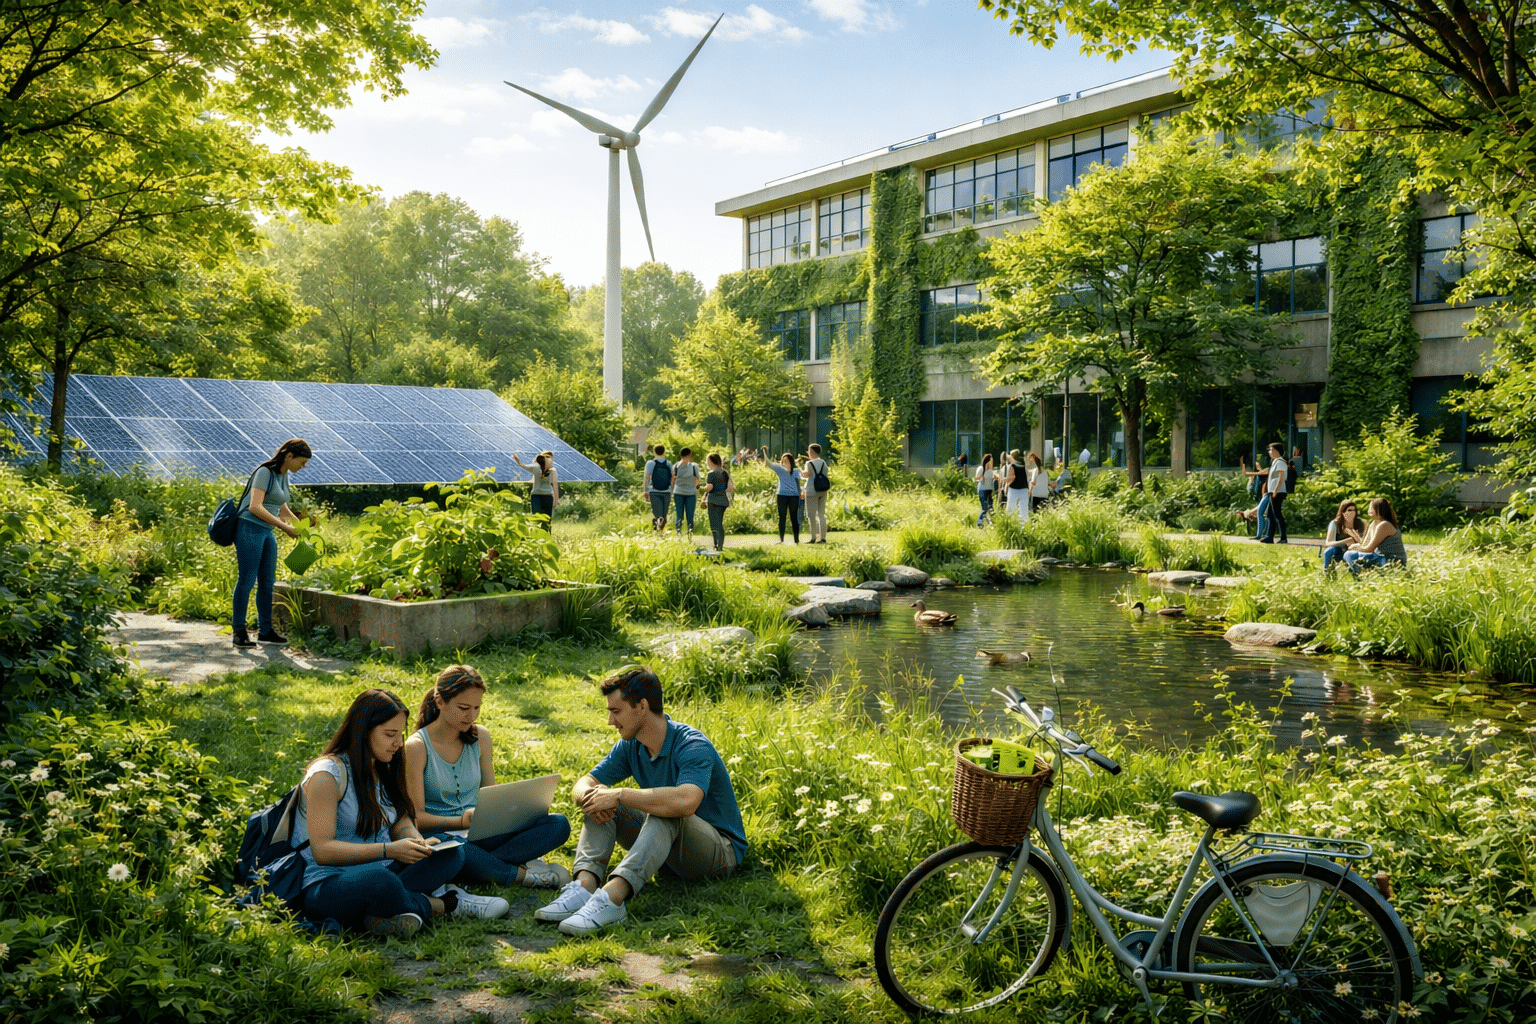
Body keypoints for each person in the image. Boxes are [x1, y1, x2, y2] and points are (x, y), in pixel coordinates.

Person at [534, 667, 745, 937]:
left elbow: (686, 802)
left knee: (665, 809)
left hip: (717, 854)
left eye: (617, 711)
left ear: (642, 706)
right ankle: (584, 887)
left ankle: (611, 899)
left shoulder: (692, 744)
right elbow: (584, 782)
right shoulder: (632, 745)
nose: (610, 721)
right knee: (600, 799)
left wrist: (620, 794)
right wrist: (591, 796)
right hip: (669, 851)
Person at [291, 688, 508, 937]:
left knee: (452, 853)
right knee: (381, 881)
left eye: (400, 734)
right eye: (390, 734)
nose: (398, 743)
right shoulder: (326, 776)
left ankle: (387, 911)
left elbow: (400, 820)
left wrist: (416, 841)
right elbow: (323, 851)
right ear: (363, 732)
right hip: (331, 883)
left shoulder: (384, 765)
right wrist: (389, 850)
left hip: (386, 868)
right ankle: (446, 904)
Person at [403, 665, 572, 891]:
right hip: (444, 837)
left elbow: (491, 795)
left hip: (481, 833)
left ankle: (476, 868)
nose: (471, 716)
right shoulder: (416, 747)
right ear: (440, 701)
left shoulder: (480, 736)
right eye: (463, 708)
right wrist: (460, 821)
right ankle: (520, 875)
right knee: (457, 850)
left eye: (476, 708)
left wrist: (511, 811)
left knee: (558, 824)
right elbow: (416, 819)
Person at [233, 438, 313, 649]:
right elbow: (255, 507)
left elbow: (281, 506)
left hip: (267, 532)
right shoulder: (265, 472)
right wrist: (284, 527)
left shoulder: (282, 475)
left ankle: (266, 631)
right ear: (289, 456)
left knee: (267, 583)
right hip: (249, 528)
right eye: (302, 462)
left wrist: (301, 527)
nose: (303, 467)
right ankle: (239, 631)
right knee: (247, 580)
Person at [1344, 498, 1409, 574]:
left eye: (1371, 508)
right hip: (1379, 556)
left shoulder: (1384, 525)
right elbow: (1365, 544)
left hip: (1392, 560)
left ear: (1379, 510)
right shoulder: (1373, 523)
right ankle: (1360, 574)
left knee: (1351, 555)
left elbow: (1369, 549)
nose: (1369, 510)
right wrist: (1355, 544)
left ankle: (1359, 575)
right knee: (1350, 554)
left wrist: (1354, 547)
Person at [1240, 445, 1288, 544]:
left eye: (1271, 450)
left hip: (1277, 492)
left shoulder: (1280, 462)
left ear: (1276, 451)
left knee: (1277, 515)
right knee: (1270, 515)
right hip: (1272, 492)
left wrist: (1275, 491)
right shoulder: (1274, 462)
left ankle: (1283, 537)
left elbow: (1281, 477)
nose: (1269, 452)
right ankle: (1269, 537)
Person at [762, 447, 802, 544]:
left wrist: (802, 492)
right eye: (783, 461)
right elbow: (768, 463)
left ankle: (796, 540)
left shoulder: (796, 471)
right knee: (782, 517)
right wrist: (764, 451)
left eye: (786, 461)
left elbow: (802, 479)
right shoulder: (779, 469)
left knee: (794, 517)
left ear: (791, 462)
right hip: (781, 496)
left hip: (793, 496)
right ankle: (781, 540)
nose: (784, 463)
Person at [512, 451, 558, 532]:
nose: (549, 459)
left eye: (551, 458)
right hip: (536, 496)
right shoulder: (536, 467)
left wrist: (556, 500)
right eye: (547, 457)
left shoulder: (553, 471)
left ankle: (547, 536)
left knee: (547, 519)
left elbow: (554, 485)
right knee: (536, 518)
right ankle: (536, 536)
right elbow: (524, 466)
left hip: (548, 496)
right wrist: (517, 460)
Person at [702, 453, 734, 553]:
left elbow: (709, 487)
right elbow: (731, 487)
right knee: (719, 523)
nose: (706, 462)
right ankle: (720, 545)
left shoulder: (711, 474)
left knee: (714, 524)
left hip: (713, 501)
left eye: (707, 460)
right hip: (723, 501)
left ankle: (716, 544)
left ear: (711, 461)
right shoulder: (724, 472)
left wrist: (700, 488)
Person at [1321, 500, 1364, 571]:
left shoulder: (1359, 523)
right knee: (1329, 550)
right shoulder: (1335, 523)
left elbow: (1364, 542)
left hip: (1355, 550)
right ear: (1343, 512)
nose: (1352, 512)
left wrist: (1354, 534)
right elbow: (1328, 543)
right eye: (1349, 510)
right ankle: (1328, 576)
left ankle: (1358, 577)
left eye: (1354, 510)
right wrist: (1346, 541)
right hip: (1339, 551)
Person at [670, 448, 703, 540]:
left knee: (689, 514)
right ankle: (679, 533)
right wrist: (671, 492)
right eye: (688, 456)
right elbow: (673, 480)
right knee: (680, 514)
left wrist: (697, 488)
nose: (690, 458)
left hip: (690, 493)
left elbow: (697, 479)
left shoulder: (693, 466)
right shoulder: (676, 466)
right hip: (679, 493)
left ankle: (690, 533)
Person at [802, 443, 830, 544]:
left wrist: (800, 473)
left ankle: (813, 537)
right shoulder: (823, 463)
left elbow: (807, 476)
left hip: (811, 491)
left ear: (813, 452)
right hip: (823, 490)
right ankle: (823, 538)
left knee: (811, 515)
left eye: (809, 451)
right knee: (821, 514)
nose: (808, 453)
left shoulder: (809, 464)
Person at [643, 445, 672, 532]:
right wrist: (672, 490)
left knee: (657, 513)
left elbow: (647, 477)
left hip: (654, 491)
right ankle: (660, 529)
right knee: (664, 514)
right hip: (666, 491)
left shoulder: (650, 463)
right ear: (664, 452)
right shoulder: (668, 463)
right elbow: (672, 477)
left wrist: (645, 490)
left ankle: (657, 528)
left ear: (654, 452)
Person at [1003, 451, 1030, 524]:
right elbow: (1028, 476)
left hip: (1014, 490)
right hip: (1024, 489)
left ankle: (1010, 524)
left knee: (1010, 509)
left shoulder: (1013, 466)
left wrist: (1005, 481)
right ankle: (1024, 526)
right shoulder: (1024, 465)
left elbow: (1012, 477)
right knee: (1024, 510)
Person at [974, 454, 996, 527]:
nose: (991, 462)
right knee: (984, 508)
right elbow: (976, 479)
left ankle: (991, 523)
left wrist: (993, 490)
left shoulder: (991, 470)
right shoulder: (981, 468)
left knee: (991, 507)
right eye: (990, 460)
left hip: (989, 490)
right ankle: (979, 523)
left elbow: (991, 481)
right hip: (982, 490)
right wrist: (981, 477)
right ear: (987, 461)